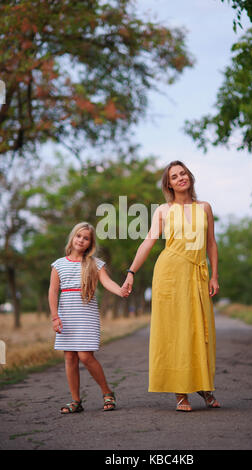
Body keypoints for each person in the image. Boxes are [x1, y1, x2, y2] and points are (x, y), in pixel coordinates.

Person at [122, 161, 220, 411]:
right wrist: (131, 271)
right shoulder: (163, 211)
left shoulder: (205, 207)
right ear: (169, 184)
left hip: (197, 274)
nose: (180, 178)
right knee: (176, 333)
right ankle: (180, 393)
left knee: (201, 330)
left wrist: (214, 276)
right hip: (169, 274)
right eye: (174, 176)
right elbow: (148, 241)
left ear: (189, 176)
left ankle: (205, 387)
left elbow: (211, 244)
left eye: (183, 173)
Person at [49, 222, 128, 414]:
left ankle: (107, 392)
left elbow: (107, 282)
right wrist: (55, 317)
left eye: (86, 238)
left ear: (90, 244)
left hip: (86, 314)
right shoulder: (59, 264)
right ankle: (76, 401)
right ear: (73, 237)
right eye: (79, 236)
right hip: (67, 316)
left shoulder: (94, 264)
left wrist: (121, 290)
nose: (81, 240)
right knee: (69, 357)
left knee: (85, 355)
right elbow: (52, 291)